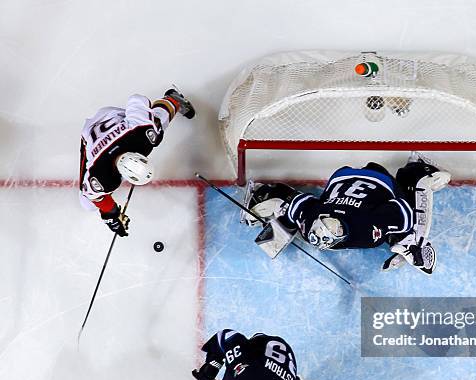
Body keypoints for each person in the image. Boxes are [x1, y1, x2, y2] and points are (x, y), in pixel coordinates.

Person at [242, 154, 450, 274]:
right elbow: (296, 201)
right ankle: (262, 194)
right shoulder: (313, 220)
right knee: (400, 232)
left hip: (374, 178)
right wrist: (279, 217)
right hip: (342, 175)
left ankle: (415, 172)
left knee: (403, 233)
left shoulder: (366, 232)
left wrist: (411, 242)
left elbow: (405, 213)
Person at [79, 88, 195, 236]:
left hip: (113, 118)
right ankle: (169, 102)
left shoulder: (142, 137)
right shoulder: (102, 176)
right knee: (87, 203)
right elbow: (91, 195)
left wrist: (112, 214)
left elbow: (137, 99)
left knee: (154, 128)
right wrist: (111, 214)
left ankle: (173, 100)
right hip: (91, 131)